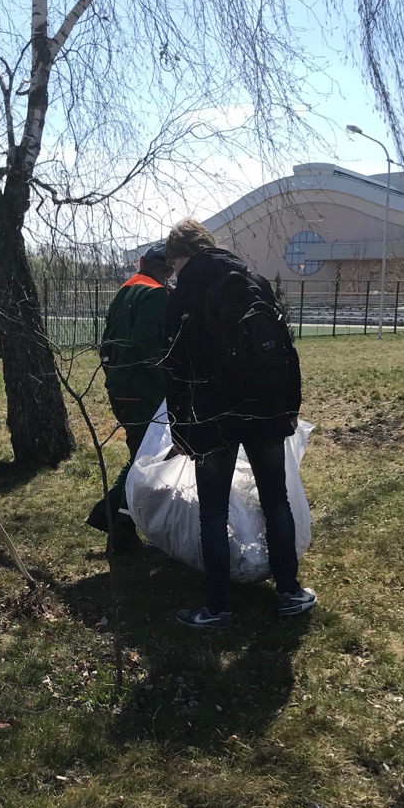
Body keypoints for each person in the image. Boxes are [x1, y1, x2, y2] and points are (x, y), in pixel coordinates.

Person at [162, 219, 316, 627]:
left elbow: (174, 368)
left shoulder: (184, 297)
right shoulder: (253, 281)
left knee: (213, 512)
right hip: (265, 408)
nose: (173, 271)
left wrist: (180, 427)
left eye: (173, 263)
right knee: (276, 500)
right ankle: (289, 592)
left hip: (213, 417)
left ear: (181, 256)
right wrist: (290, 406)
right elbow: (286, 349)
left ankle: (217, 608)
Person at [85, 242, 170, 554]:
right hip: (142, 389)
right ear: (168, 269)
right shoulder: (157, 294)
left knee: (141, 455)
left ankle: (119, 529)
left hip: (121, 386)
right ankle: (112, 517)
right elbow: (147, 347)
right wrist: (167, 386)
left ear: (141, 262)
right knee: (146, 458)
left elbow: (108, 341)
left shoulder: (126, 289)